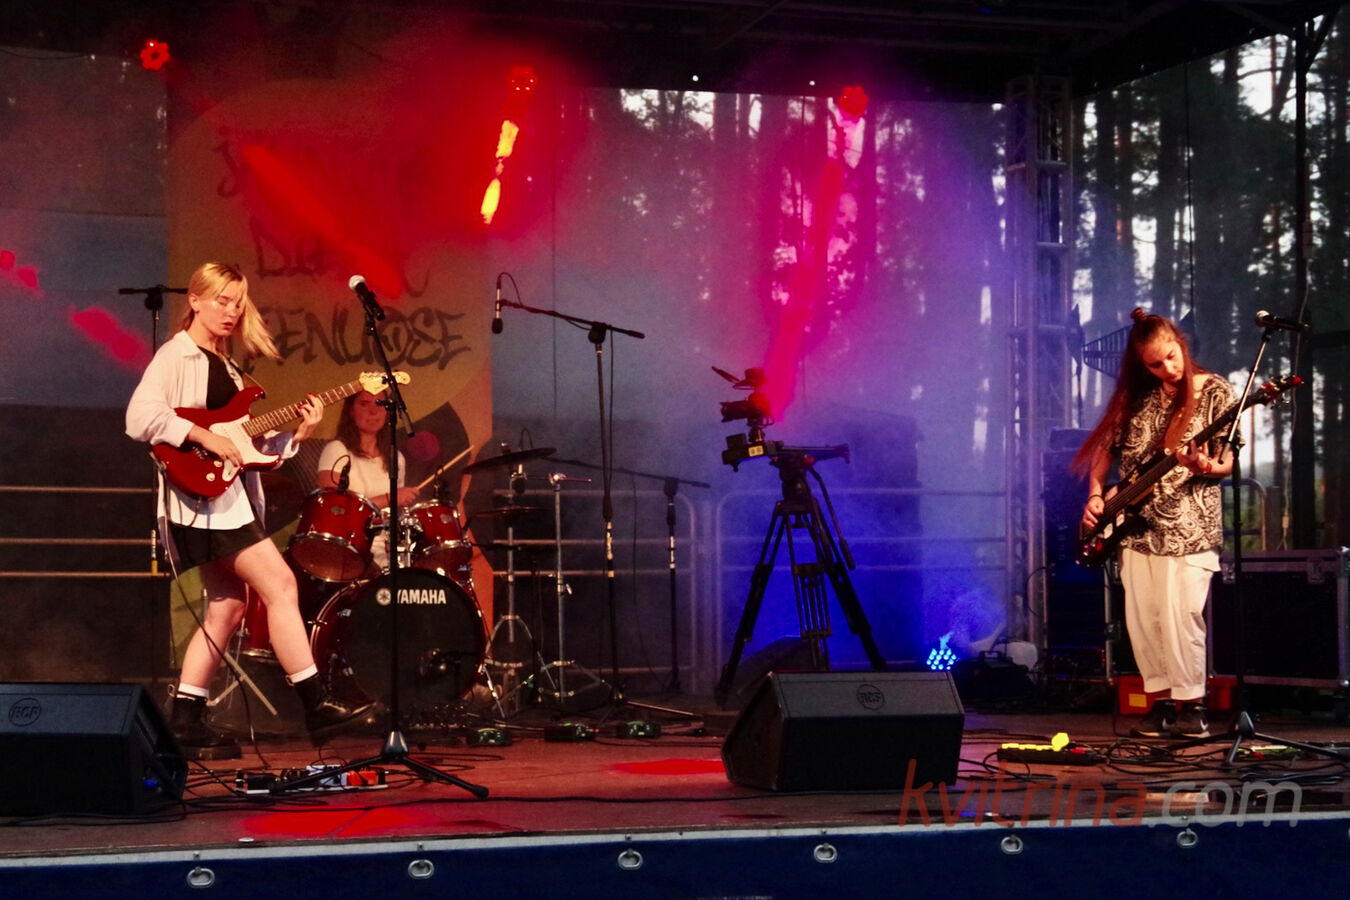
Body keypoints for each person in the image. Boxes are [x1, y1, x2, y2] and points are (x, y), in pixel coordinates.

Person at [126, 262, 373, 759]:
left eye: (237, 304)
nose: (230, 312)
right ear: (195, 300)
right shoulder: (177, 355)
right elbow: (139, 417)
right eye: (221, 300)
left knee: (228, 606)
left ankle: (186, 717)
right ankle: (315, 703)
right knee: (280, 585)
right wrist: (203, 436)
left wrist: (298, 433)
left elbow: (248, 449)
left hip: (224, 499)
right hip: (201, 502)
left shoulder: (231, 369)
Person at [1074, 308, 1235, 740]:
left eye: (1171, 357)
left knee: (1182, 616)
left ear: (1181, 344)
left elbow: (1228, 460)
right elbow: (1104, 450)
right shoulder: (1137, 396)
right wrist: (1095, 493)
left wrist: (1203, 465)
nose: (1168, 368)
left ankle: (1192, 707)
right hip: (1135, 528)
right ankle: (1161, 705)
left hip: (1189, 527)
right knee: (1144, 620)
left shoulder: (1216, 391)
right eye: (1155, 364)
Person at [315, 390, 423, 570]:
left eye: (380, 404)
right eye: (364, 404)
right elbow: (334, 513)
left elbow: (391, 515)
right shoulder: (337, 450)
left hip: (387, 549)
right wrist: (390, 498)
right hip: (348, 548)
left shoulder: (396, 458)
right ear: (350, 410)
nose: (373, 411)